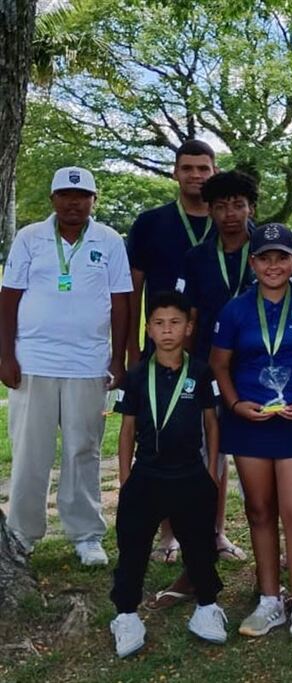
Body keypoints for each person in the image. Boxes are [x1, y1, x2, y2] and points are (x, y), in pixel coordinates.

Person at [211, 223, 292, 643]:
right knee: (259, 511)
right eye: (265, 257)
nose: (273, 265)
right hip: (250, 421)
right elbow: (220, 364)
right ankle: (269, 600)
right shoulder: (236, 310)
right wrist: (234, 404)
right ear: (253, 262)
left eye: (282, 257)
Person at [1, 167, 131, 565]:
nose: (73, 203)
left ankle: (86, 533)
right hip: (33, 361)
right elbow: (8, 296)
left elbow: (122, 300)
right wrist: (5, 354)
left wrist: (118, 358)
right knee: (30, 451)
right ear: (53, 198)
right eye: (65, 195)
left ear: (94, 199)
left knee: (83, 448)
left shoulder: (108, 240)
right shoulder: (29, 237)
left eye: (82, 195)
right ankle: (21, 532)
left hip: (88, 363)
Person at [143, 170, 258, 609]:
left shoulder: (265, 251)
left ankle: (272, 572)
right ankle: (201, 554)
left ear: (251, 207)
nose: (230, 214)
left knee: (258, 478)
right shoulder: (196, 257)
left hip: (258, 378)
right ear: (209, 210)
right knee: (205, 467)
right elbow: (188, 318)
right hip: (209, 374)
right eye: (221, 206)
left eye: (238, 205)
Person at [108, 291, 226, 657]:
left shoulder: (202, 371)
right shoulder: (138, 374)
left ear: (188, 327)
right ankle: (126, 614)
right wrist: (126, 478)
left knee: (200, 543)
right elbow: (126, 429)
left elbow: (211, 425)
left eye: (175, 322)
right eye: (159, 323)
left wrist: (210, 473)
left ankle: (207, 607)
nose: (167, 330)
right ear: (149, 329)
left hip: (190, 473)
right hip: (147, 473)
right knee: (133, 545)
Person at [126, 140, 218, 366]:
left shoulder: (231, 225)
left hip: (218, 347)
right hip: (164, 346)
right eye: (187, 168)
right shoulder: (149, 223)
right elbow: (133, 291)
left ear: (215, 172)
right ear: (175, 173)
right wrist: (132, 350)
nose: (196, 175)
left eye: (203, 168)